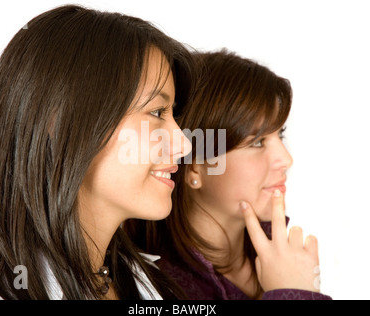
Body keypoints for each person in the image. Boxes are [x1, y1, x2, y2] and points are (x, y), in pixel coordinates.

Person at [0, 4, 195, 300]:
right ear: (62, 121)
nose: (185, 144)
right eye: (156, 112)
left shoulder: (148, 281)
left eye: (172, 115)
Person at [124, 49, 332, 300]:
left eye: (280, 135)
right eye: (257, 142)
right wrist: (293, 294)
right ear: (194, 168)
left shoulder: (286, 257)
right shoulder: (153, 289)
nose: (286, 160)